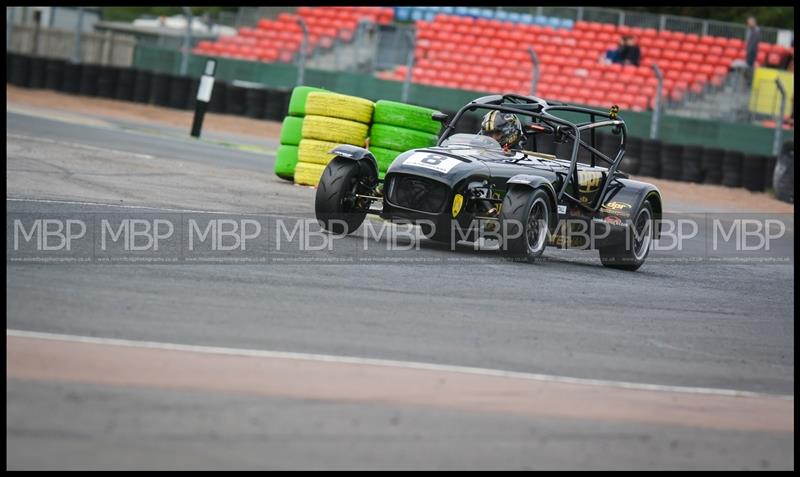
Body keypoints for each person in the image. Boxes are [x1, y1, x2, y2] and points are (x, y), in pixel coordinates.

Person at [745, 16, 760, 85]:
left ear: (754, 23)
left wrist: (749, 51)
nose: (748, 24)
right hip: (750, 52)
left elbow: (753, 43)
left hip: (752, 52)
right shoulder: (751, 30)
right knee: (748, 67)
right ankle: (748, 81)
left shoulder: (756, 31)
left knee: (750, 67)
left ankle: (750, 82)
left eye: (750, 22)